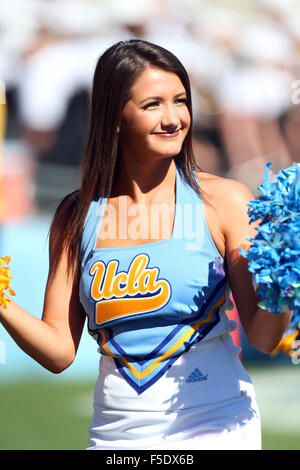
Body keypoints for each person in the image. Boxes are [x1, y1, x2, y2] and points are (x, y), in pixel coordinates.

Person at [0, 39, 292, 450]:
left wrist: (286, 285)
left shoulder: (224, 202)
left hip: (217, 422)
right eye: (153, 104)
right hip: (115, 435)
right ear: (114, 116)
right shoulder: (77, 216)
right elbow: (59, 351)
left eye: (181, 101)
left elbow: (263, 338)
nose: (173, 118)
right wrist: (3, 302)